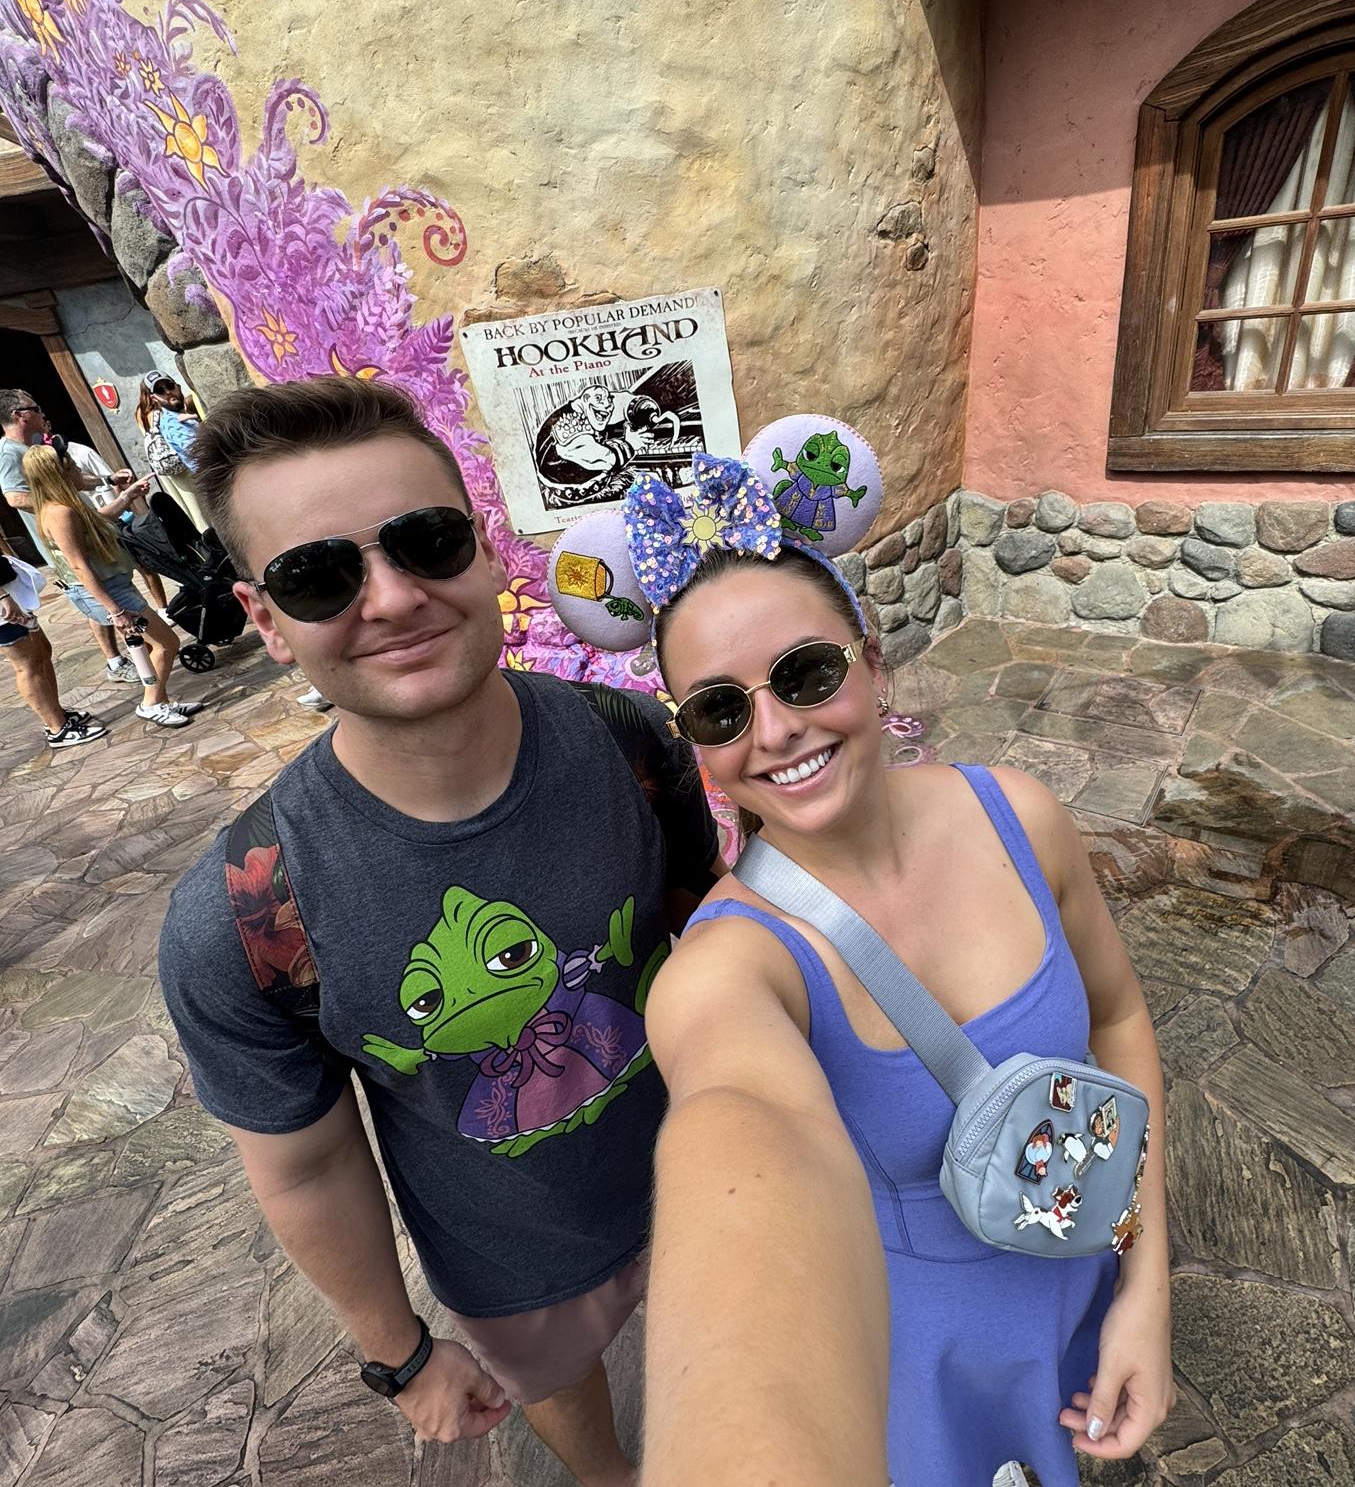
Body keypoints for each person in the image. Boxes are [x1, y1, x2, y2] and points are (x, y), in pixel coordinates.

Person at [156, 377, 721, 1487]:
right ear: (265, 621)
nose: (393, 596)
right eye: (320, 575)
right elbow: (309, 1167)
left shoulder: (626, 739)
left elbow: (709, 928)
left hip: (715, 1164)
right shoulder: (245, 911)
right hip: (516, 1262)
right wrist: (399, 1354)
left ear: (488, 550)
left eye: (426, 540)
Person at [628, 462, 1172, 1485]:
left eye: (805, 674)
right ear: (693, 742)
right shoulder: (729, 970)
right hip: (918, 1364)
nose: (776, 729)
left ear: (874, 669)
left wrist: (1146, 1292)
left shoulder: (1021, 819)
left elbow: (1119, 1027)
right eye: (719, 710)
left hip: (1084, 1273)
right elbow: (739, 1138)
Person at [22, 445, 199, 729]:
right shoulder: (60, 513)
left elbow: (101, 519)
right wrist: (114, 610)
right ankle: (151, 703)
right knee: (166, 643)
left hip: (115, 585)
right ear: (61, 474)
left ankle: (161, 701)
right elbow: (79, 565)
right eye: (75, 469)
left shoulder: (70, 506)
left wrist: (127, 496)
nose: (81, 472)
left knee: (154, 645)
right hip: (110, 592)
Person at [0, 386, 143, 685]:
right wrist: (63, 509)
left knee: (99, 596)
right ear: (19, 415)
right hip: (64, 540)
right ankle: (140, 675)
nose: (42, 413)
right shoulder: (10, 453)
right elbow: (14, 497)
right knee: (103, 596)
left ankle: (119, 661)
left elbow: (71, 480)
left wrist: (107, 480)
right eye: (35, 408)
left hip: (84, 531)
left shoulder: (37, 445)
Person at [0, 552, 107, 748]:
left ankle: (57, 713)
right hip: (4, 604)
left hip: (12, 593)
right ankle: (57, 728)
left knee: (42, 652)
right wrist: (3, 596)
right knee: (27, 665)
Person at [67, 437, 171, 614]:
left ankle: (162, 608)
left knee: (143, 564)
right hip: (99, 524)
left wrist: (125, 501)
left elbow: (113, 481)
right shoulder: (63, 509)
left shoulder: (81, 452)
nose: (77, 470)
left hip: (116, 518)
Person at [135, 370, 209, 530]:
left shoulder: (141, 413)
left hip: (168, 468)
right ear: (152, 396)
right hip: (182, 464)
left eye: (169, 386)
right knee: (202, 511)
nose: (167, 392)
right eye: (161, 390)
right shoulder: (159, 414)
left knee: (191, 510)